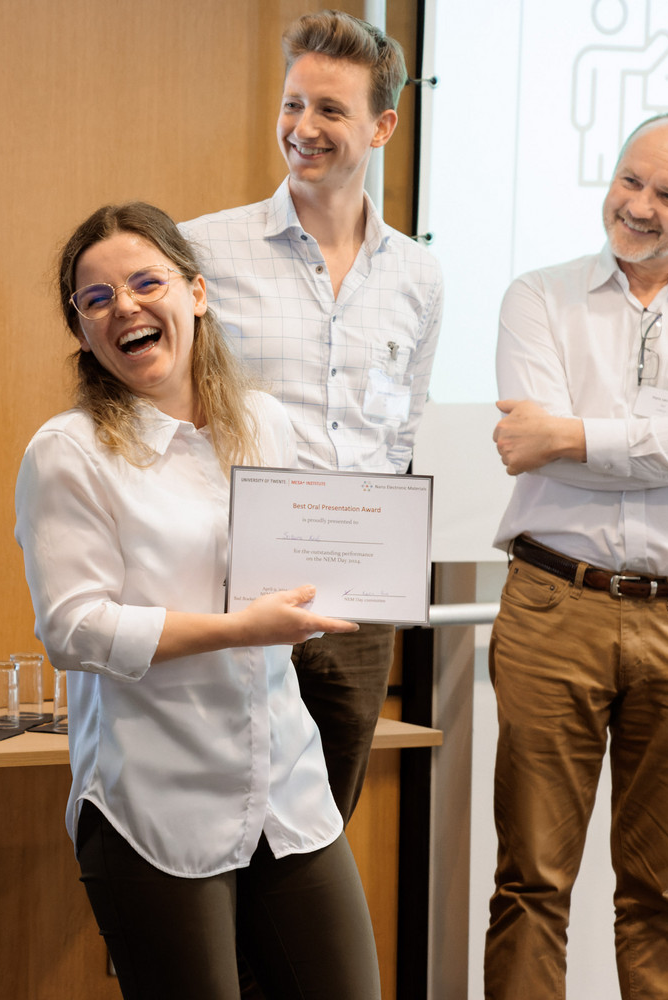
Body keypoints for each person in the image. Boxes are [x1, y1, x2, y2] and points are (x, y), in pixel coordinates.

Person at [14, 202, 379, 1000]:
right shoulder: (68, 451)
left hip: (286, 791)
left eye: (147, 283)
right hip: (155, 803)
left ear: (198, 293)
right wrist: (239, 628)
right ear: (82, 332)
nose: (126, 307)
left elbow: (293, 562)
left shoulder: (264, 422)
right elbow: (74, 630)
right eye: (97, 299)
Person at [486, 111, 668, 999]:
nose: (639, 206)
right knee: (531, 883)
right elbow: (526, 444)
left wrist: (575, 435)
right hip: (553, 606)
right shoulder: (538, 297)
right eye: (630, 180)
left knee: (662, 890)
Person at [180, 9, 442, 823]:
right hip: (235, 587)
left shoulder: (419, 276)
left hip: (359, 604)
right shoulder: (204, 250)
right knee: (220, 820)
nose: (303, 128)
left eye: (330, 110)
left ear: (382, 126)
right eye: (294, 104)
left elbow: (400, 432)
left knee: (323, 829)